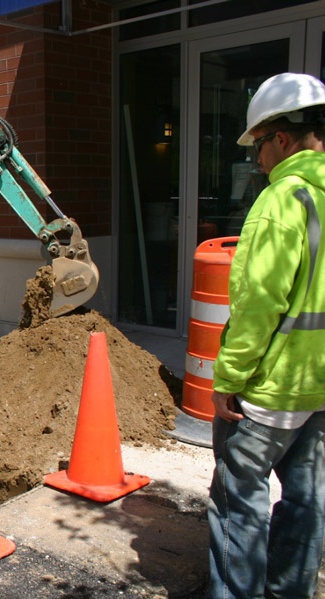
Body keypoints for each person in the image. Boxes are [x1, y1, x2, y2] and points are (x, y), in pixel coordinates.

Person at [208, 72, 325, 599]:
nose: (256, 160)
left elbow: (257, 304)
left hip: (270, 391)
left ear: (282, 138)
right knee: (307, 501)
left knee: (239, 502)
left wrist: (228, 380)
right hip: (319, 386)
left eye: (258, 145)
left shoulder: (283, 202)